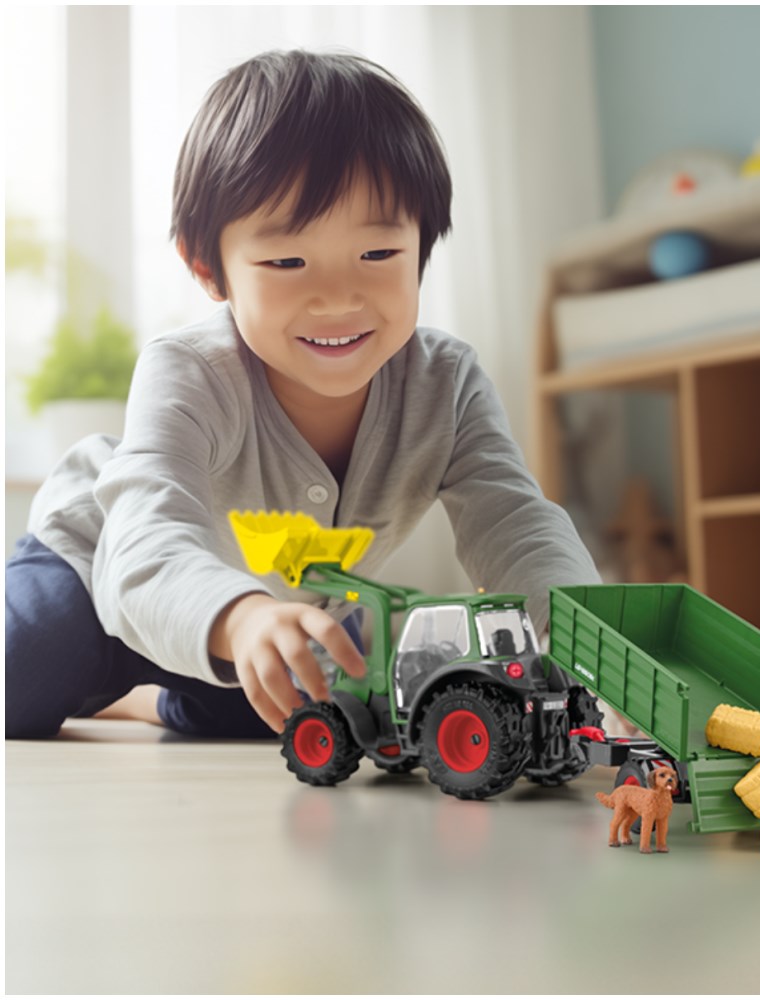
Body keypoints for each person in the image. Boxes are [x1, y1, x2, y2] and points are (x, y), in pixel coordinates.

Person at [6, 49, 600, 741]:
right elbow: (146, 539)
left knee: (304, 707)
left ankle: (147, 701)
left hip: (268, 618)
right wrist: (243, 615)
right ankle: (106, 678)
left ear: (422, 248)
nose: (339, 299)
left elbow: (515, 522)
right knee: (24, 676)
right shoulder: (191, 370)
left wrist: (588, 641)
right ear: (209, 269)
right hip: (107, 561)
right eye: (287, 262)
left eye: (378, 256)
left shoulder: (448, 384)